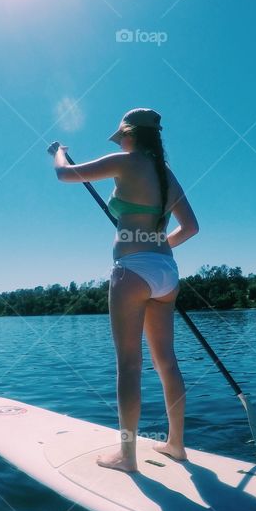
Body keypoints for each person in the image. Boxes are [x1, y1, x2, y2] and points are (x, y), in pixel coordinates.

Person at [52, 108, 199, 473]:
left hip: (131, 271)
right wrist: (158, 247)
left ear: (129, 136)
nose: (120, 142)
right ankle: (177, 444)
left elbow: (64, 174)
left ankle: (127, 456)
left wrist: (58, 149)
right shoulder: (167, 174)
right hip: (167, 272)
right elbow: (192, 227)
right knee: (166, 361)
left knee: (129, 365)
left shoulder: (125, 162)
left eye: (121, 136)